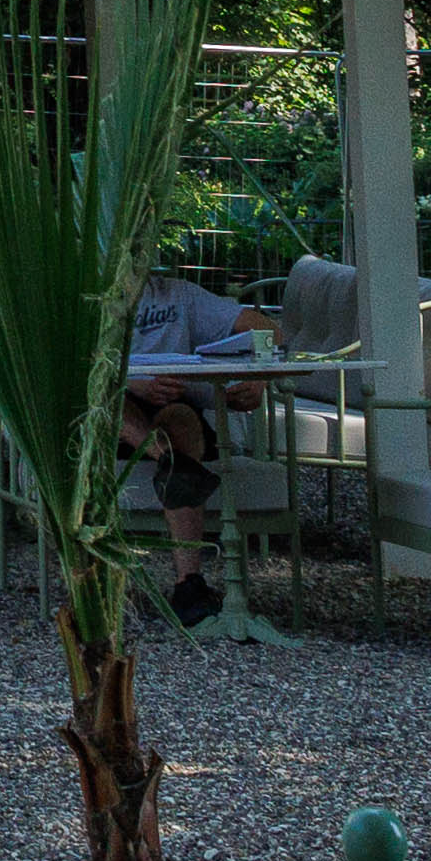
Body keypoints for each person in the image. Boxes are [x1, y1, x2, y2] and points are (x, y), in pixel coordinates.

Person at [114, 262, 268, 624]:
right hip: (114, 417)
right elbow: (77, 363)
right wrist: (135, 383)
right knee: (109, 401)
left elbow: (265, 328)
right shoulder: (87, 295)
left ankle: (189, 581)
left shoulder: (178, 294)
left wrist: (257, 380)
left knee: (179, 419)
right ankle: (171, 462)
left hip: (174, 413)